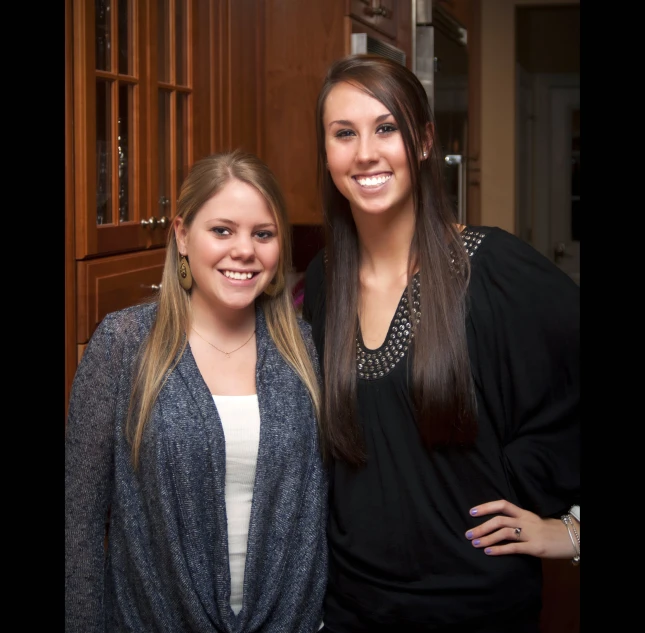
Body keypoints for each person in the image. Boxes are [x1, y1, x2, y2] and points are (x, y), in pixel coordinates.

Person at [302, 54, 580, 633]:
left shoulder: (493, 270)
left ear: (424, 141)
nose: (366, 153)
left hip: (477, 608)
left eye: (387, 128)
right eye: (343, 134)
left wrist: (573, 532)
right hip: (350, 607)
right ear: (327, 153)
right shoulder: (324, 279)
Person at [65, 149, 328, 633]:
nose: (244, 250)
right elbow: (78, 526)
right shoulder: (122, 346)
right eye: (222, 230)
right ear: (183, 236)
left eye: (263, 234)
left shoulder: (304, 348)